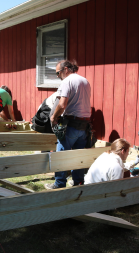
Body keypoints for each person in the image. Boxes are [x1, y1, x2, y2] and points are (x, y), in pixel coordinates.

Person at [45, 60, 91, 190]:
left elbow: (62, 104)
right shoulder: (85, 81)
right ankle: (78, 182)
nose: (58, 76)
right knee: (78, 155)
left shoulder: (67, 81)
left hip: (71, 124)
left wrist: (54, 117)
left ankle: (59, 183)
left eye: (58, 73)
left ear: (66, 69)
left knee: (61, 155)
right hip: (84, 125)